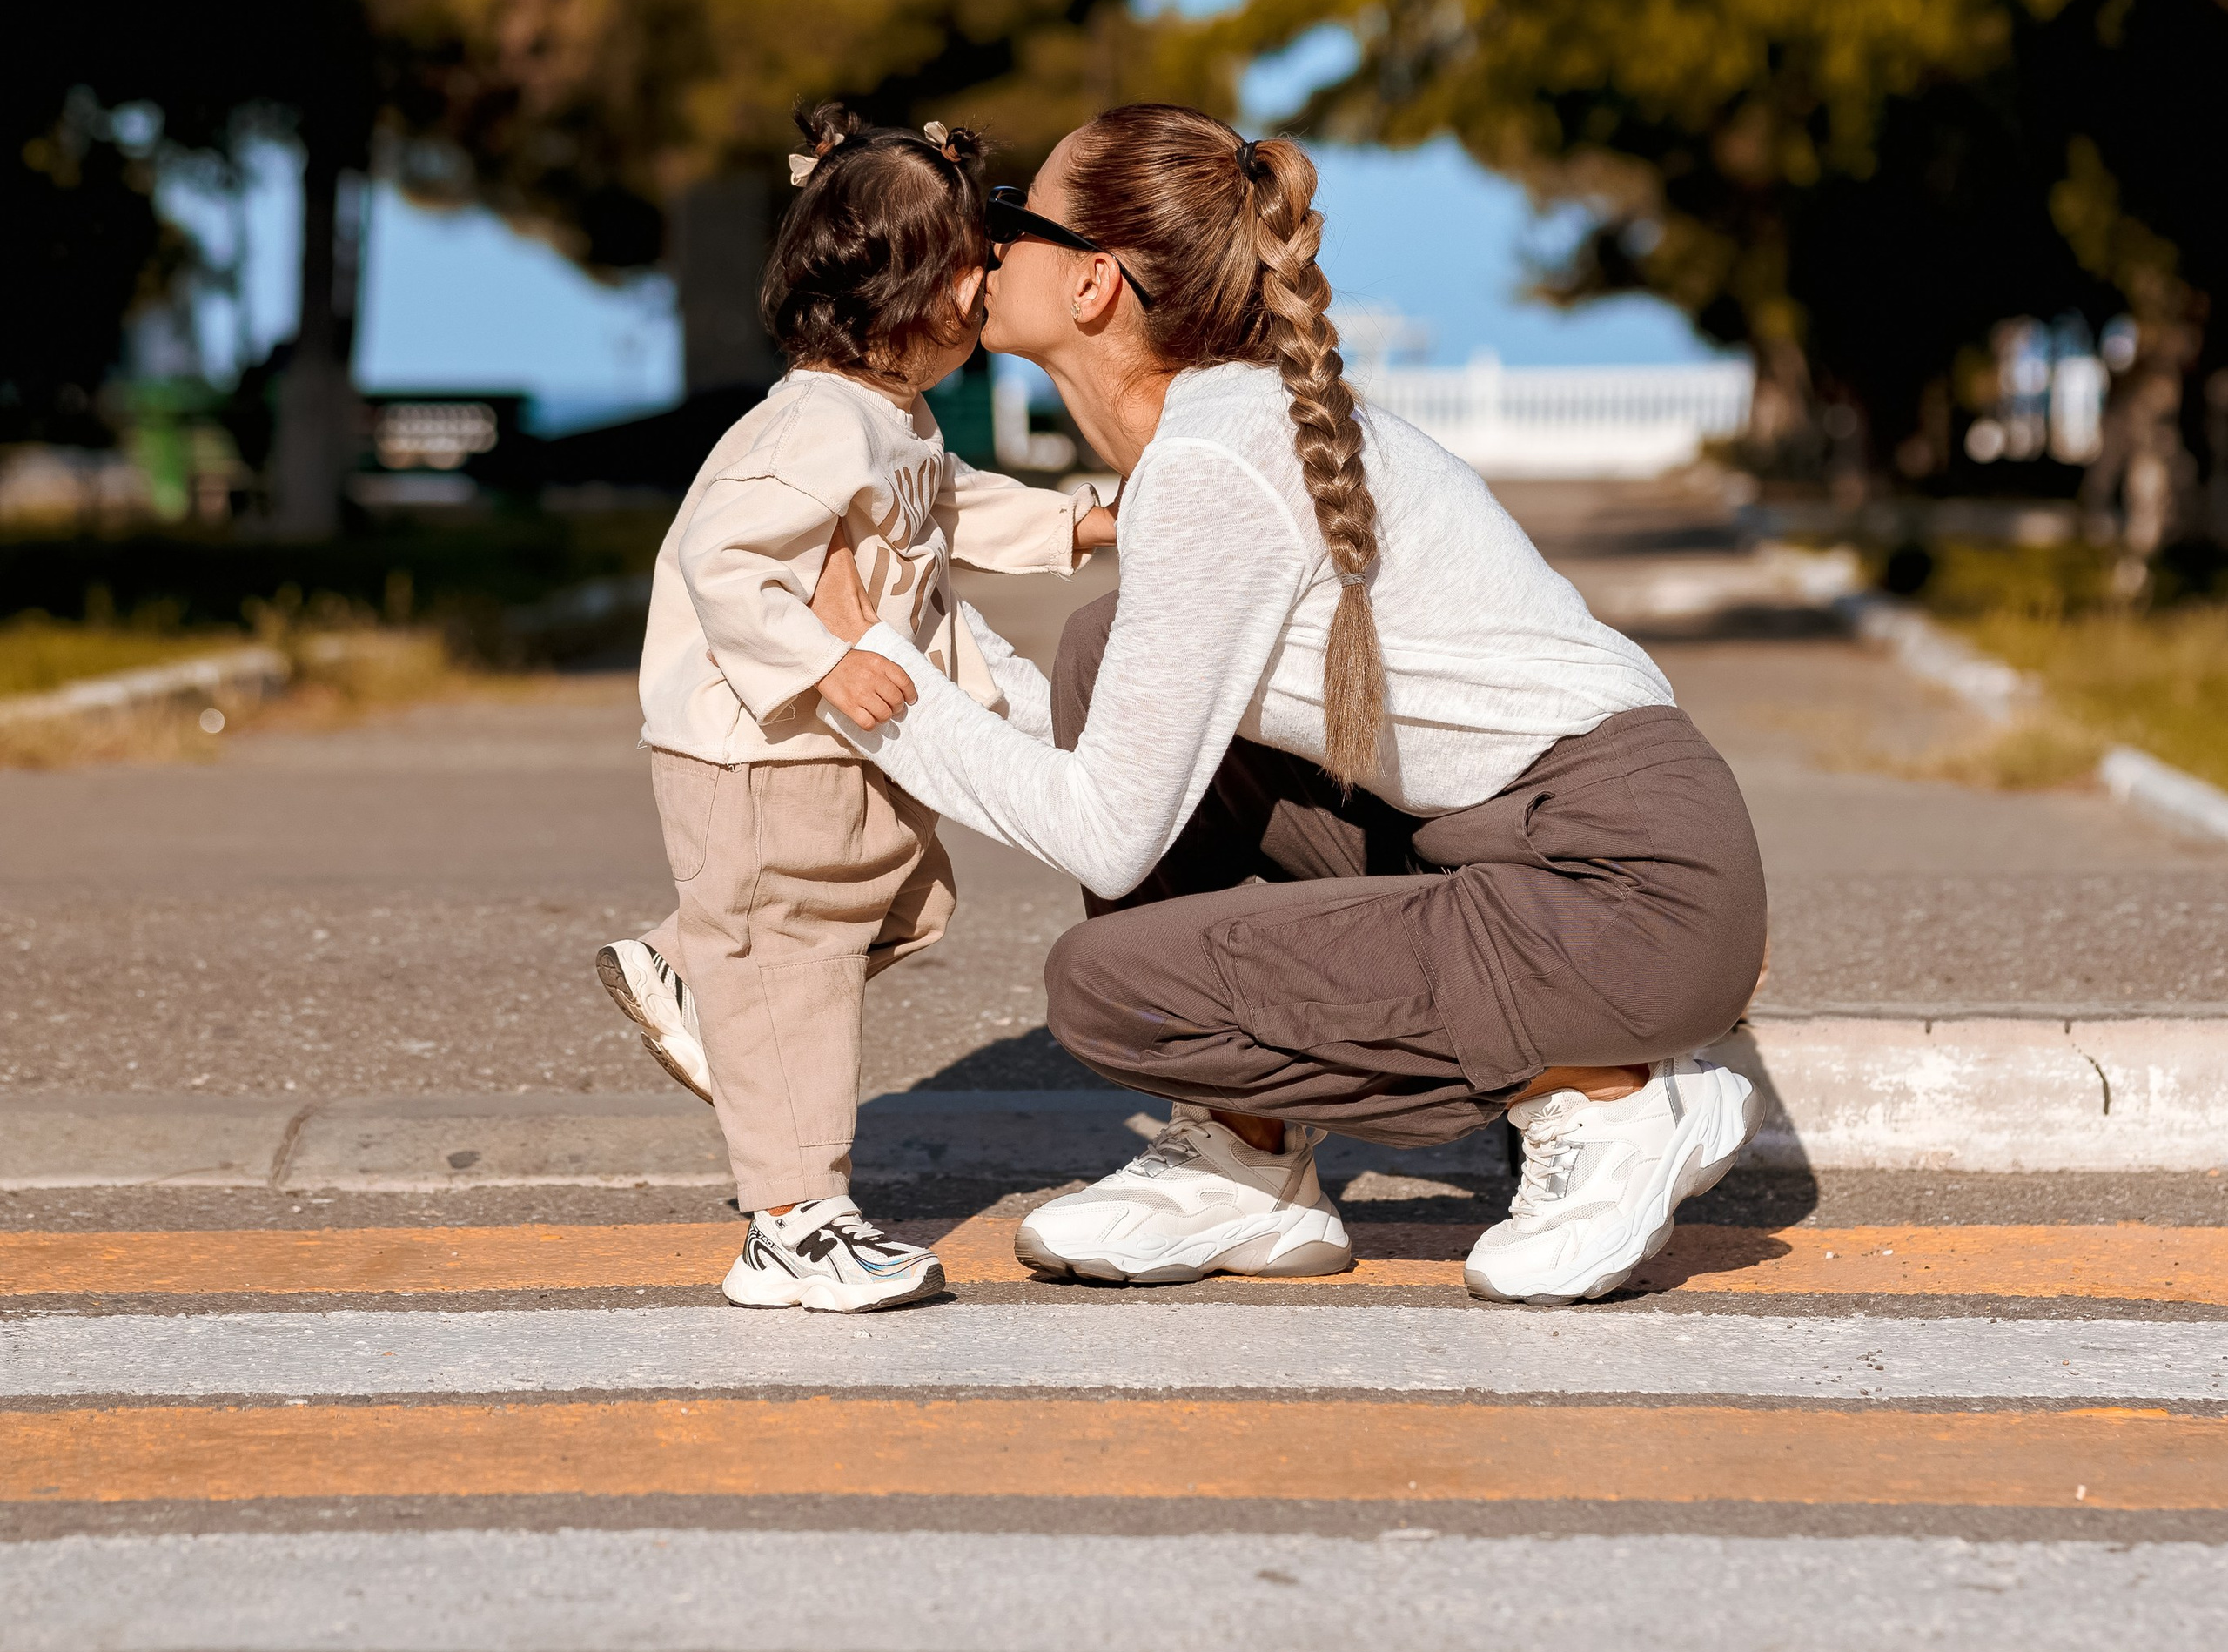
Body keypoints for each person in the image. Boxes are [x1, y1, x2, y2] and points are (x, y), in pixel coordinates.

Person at [812, 102, 1769, 1305]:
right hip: (1540, 857)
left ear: (1096, 281)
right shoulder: (1228, 437)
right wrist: (928, 659)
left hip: (1623, 894)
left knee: (1109, 990)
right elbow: (1129, 755)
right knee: (1106, 651)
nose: (982, 243)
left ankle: (1611, 1097)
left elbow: (1107, 827)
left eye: (1010, 220)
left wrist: (878, 684)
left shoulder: (1217, 465)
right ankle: (1247, 1163)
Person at [597, 102, 1116, 1313]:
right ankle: (792, 1222)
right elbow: (726, 566)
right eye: (971, 269)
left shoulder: (886, 421)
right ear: (897, 298)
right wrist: (819, 666)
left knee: (904, 899)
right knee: (791, 970)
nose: (991, 286)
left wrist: (1075, 523)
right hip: (763, 756)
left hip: (822, 758)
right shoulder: (807, 429)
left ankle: (690, 963)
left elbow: (948, 506)